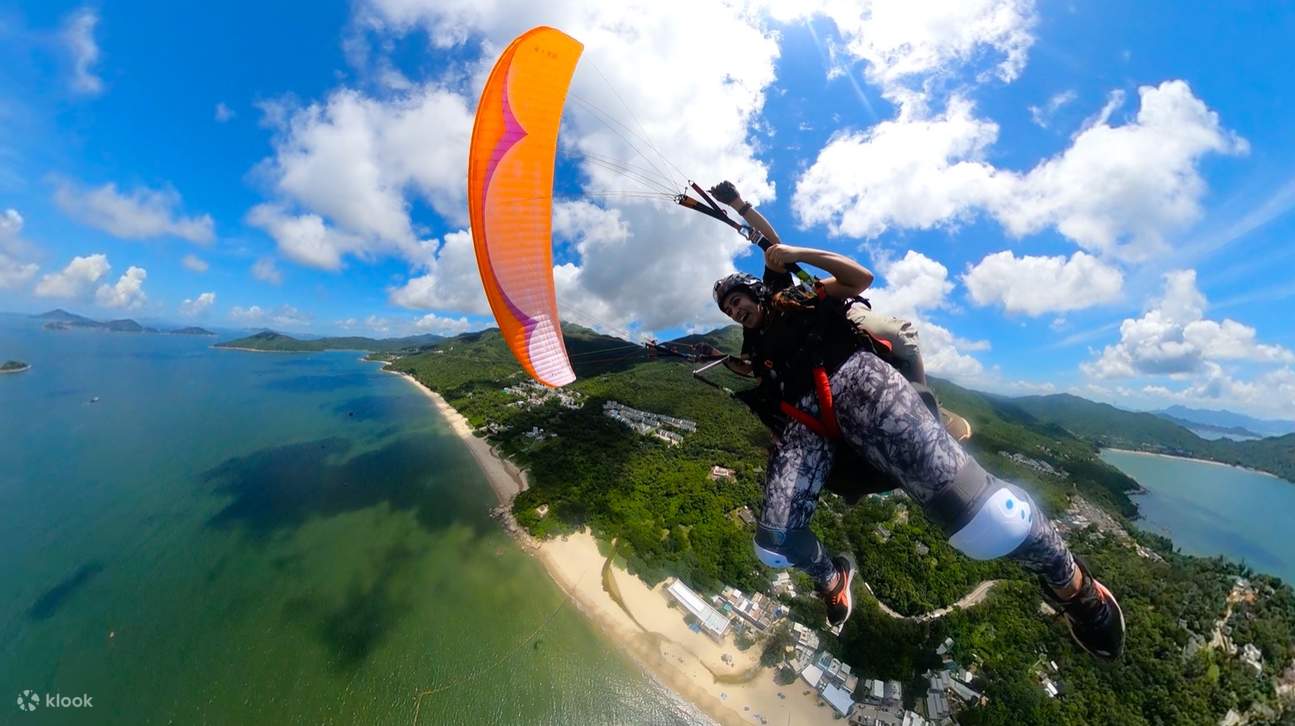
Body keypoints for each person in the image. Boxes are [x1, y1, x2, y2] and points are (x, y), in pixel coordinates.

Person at [709, 184, 1126, 660]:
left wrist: (749, 214)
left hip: (858, 381)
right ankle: (833, 579)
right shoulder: (751, 350)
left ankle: (1073, 583)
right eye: (727, 309)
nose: (734, 309)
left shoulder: (796, 297)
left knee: (991, 522)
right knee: (774, 543)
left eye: (737, 300)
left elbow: (851, 274)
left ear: (755, 292)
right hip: (811, 424)